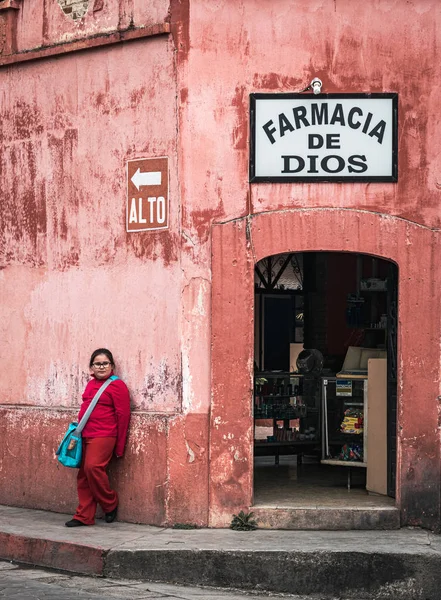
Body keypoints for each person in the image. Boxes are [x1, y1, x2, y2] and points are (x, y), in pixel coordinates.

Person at [65, 348, 131, 527]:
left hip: (104, 435)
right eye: (97, 364)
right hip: (85, 434)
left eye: (105, 363)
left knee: (93, 467)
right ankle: (84, 516)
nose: (101, 367)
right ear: (91, 368)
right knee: (84, 475)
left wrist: (120, 445)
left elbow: (123, 416)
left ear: (112, 366)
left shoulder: (117, 386)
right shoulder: (91, 384)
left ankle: (110, 503)